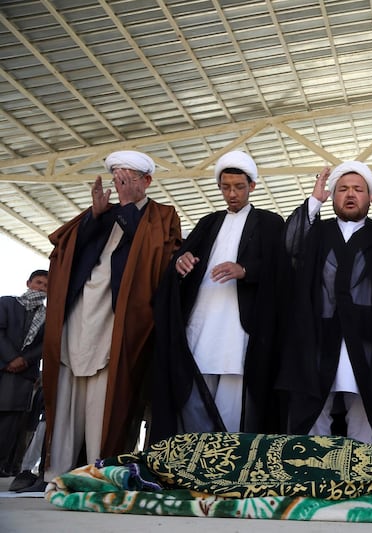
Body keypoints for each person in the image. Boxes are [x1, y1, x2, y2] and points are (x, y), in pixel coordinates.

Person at [42, 150, 181, 481]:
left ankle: (99, 469)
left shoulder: (161, 215)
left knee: (106, 397)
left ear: (146, 181)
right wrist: (94, 215)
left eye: (128, 179)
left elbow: (157, 257)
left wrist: (130, 209)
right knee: (67, 394)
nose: (121, 186)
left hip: (118, 322)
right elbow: (63, 250)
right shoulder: (101, 213)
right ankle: (57, 473)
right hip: (79, 315)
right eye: (117, 179)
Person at [276, 161, 372, 444]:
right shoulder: (317, 231)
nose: (350, 194)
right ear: (333, 195)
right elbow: (290, 242)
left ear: (369, 196)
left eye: (358, 189)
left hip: (368, 341)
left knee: (366, 415)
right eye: (342, 189)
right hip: (319, 337)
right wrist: (314, 200)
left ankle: (364, 483)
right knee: (314, 414)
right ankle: (314, 481)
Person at [151, 150, 285, 442]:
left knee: (233, 408)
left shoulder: (269, 222)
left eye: (239, 187)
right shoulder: (208, 222)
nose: (232, 193)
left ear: (252, 186)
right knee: (194, 400)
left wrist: (245, 270)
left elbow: (281, 269)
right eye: (226, 187)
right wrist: (180, 264)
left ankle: (229, 471)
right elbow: (182, 259)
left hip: (238, 332)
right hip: (201, 325)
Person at [0, 270, 48, 477]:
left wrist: (24, 360)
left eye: (46, 286)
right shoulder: (7, 303)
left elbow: (47, 344)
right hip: (2, 367)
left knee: (10, 426)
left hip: (22, 376)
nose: (41, 288)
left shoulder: (49, 316)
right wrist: (10, 358)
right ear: (28, 282)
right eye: (38, 283)